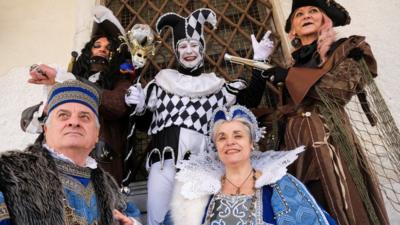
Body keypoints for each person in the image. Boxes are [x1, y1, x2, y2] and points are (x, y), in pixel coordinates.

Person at [124, 8, 273, 225]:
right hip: (163, 164)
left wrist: (258, 63)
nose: (189, 51)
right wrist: (138, 107)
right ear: (176, 52)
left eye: (194, 45)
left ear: (202, 48)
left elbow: (249, 101)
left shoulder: (215, 86)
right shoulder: (162, 81)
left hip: (201, 166)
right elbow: (145, 125)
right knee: (157, 218)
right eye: (183, 46)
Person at [261, 1, 390, 224]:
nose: (306, 16)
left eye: (313, 11)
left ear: (325, 20)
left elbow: (338, 90)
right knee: (307, 207)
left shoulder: (346, 50)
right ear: (293, 28)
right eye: (299, 14)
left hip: (330, 140)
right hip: (295, 148)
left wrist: (290, 77)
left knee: (341, 199)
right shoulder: (290, 62)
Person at [0, 80, 141, 225]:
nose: (74, 122)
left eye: (84, 117)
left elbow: (131, 214)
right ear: (46, 129)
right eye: (63, 115)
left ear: (96, 133)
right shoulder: (9, 174)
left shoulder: (109, 186)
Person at [170, 105, 337, 225]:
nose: (230, 142)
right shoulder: (197, 192)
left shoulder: (280, 186)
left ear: (251, 143)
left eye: (238, 136)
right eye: (222, 137)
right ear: (216, 147)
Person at [26, 6, 135, 184]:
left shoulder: (120, 83)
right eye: (97, 46)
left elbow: (116, 105)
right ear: (88, 52)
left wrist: (64, 78)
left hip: (102, 164)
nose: (102, 50)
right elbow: (28, 122)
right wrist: (45, 110)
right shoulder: (69, 79)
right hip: (59, 165)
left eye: (108, 48)